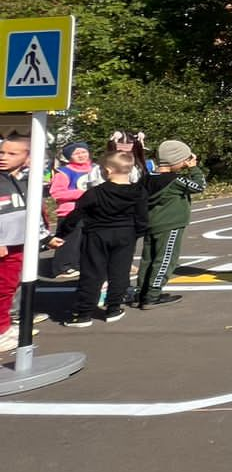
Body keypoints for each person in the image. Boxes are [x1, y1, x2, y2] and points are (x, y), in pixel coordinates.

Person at [58, 150, 148, 328]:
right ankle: (114, 308)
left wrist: (60, 235)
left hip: (97, 235)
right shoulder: (138, 192)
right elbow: (143, 219)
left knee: (92, 272)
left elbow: (76, 215)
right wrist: (135, 234)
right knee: (120, 271)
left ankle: (84, 313)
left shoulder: (94, 193)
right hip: (125, 234)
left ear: (106, 170)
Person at [2, 133, 58, 352]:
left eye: (11, 153)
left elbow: (33, 214)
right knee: (3, 288)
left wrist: (46, 237)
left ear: (27, 158)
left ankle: (5, 326)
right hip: (4, 245)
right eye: (2, 152)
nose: (4, 157)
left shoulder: (27, 181)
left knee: (9, 287)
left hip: (19, 243)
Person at [137, 140, 206, 309]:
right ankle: (153, 295)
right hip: (170, 224)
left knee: (148, 259)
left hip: (151, 223)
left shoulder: (147, 178)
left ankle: (141, 292)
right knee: (166, 259)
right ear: (177, 160)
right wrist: (193, 168)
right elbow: (199, 186)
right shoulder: (175, 181)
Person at [48, 141, 94, 280]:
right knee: (69, 241)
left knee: (87, 239)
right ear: (69, 157)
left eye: (83, 152)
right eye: (76, 153)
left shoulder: (95, 169)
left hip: (92, 211)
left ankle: (80, 264)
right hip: (70, 212)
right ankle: (63, 267)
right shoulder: (64, 172)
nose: (81, 155)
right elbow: (56, 193)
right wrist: (81, 193)